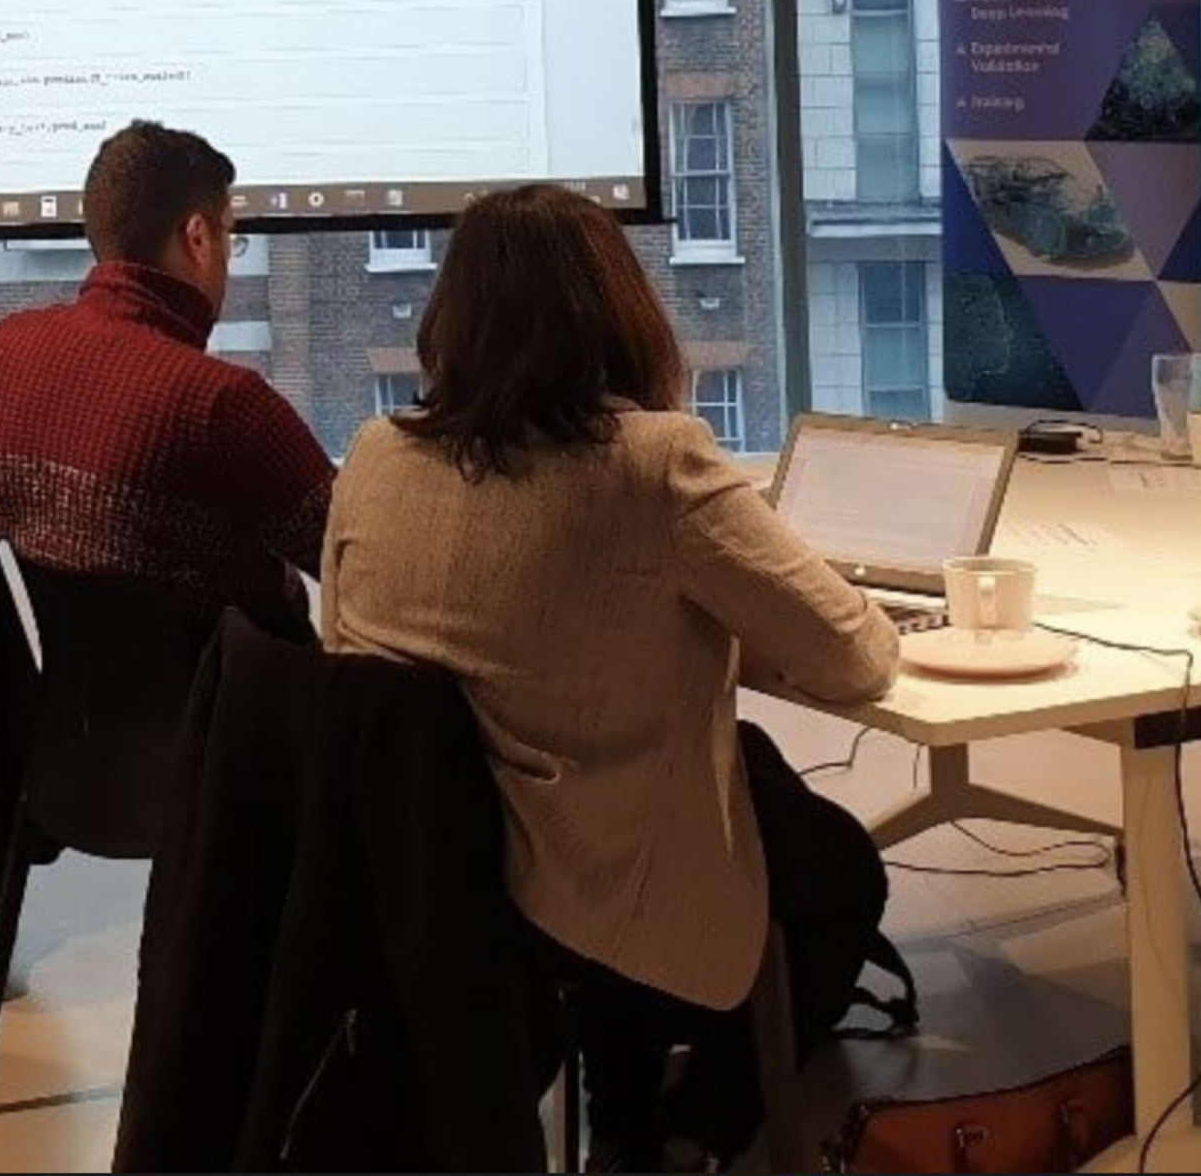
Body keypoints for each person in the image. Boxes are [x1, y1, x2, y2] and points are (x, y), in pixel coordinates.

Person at [324, 185, 900, 1164]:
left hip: (436, 872)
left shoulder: (375, 455)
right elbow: (854, 657)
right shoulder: (652, 462)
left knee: (741, 768)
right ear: (619, 309)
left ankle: (629, 1101)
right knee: (840, 870)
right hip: (584, 870)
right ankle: (696, 1127)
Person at [0, 120, 333, 624]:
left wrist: (31, 514)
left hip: (62, 699)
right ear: (198, 238)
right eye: (231, 234)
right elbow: (362, 565)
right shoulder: (224, 404)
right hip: (237, 696)